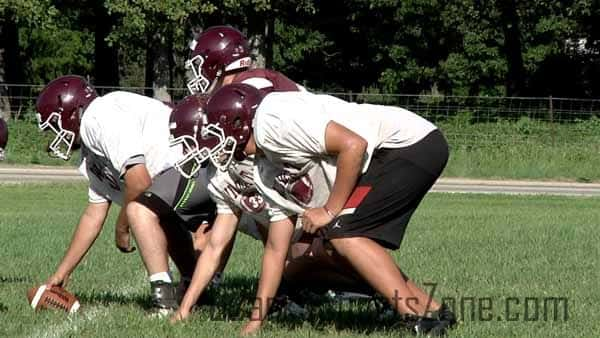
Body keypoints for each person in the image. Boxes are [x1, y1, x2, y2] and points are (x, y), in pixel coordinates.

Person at [198, 83, 457, 336]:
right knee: (343, 237)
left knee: (344, 233)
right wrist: (255, 322)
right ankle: (433, 310)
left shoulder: (270, 124)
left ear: (239, 124)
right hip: (398, 149)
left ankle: (416, 321)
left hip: (406, 144)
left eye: (219, 133)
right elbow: (276, 250)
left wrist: (330, 210)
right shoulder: (264, 165)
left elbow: (354, 146)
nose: (218, 146)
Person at [35, 75, 204, 312]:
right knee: (157, 211)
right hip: (178, 172)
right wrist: (62, 273)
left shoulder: (99, 117)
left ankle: (163, 299)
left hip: (194, 165)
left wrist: (121, 227)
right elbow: (93, 215)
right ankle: (197, 287)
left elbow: (139, 181)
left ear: (74, 112)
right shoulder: (90, 148)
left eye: (55, 124)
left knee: (139, 210)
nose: (55, 135)